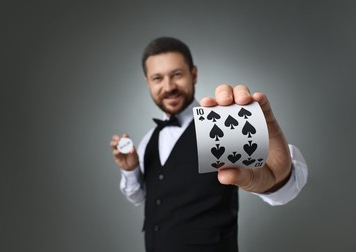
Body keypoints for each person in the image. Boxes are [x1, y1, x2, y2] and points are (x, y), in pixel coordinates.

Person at [109, 37, 308, 252]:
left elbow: (279, 181)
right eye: (157, 78)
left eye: (177, 75)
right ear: (148, 81)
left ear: (193, 74)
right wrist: (130, 170)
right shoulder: (149, 138)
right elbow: (142, 198)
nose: (168, 87)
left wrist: (280, 180)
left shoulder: (219, 126)